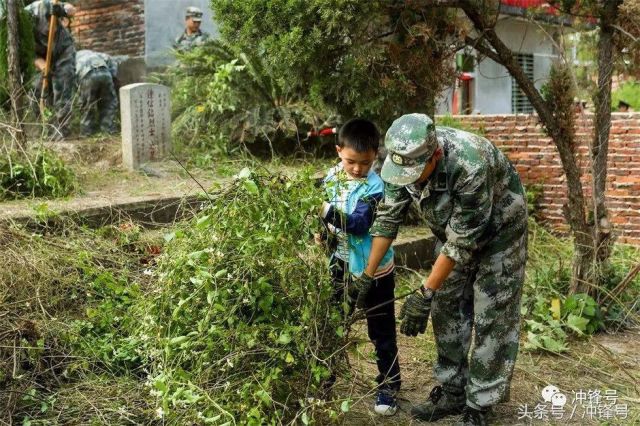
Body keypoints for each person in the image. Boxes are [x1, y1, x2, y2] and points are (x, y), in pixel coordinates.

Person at [362, 113, 528, 425]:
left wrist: (424, 292)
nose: (407, 178)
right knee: (446, 306)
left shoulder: (470, 164)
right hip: (452, 234)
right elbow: (388, 218)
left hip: (500, 234)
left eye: (414, 172)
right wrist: (366, 277)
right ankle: (453, 389)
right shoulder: (400, 162)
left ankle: (480, 405)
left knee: (493, 314)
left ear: (434, 154)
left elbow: (461, 242)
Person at [318, 118, 401, 416]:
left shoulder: (377, 188)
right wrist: (319, 231)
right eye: (351, 161)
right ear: (339, 150)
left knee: (381, 332)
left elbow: (357, 224)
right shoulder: (331, 178)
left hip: (374, 273)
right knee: (332, 325)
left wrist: (323, 210)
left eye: (364, 163)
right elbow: (324, 221)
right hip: (339, 265)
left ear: (376, 155)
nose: (357, 169)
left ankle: (389, 386)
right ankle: (323, 380)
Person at [25, 0, 77, 139]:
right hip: (41, 54)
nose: (51, 28)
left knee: (62, 87)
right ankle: (45, 130)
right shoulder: (25, 20)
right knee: (37, 90)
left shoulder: (50, 5)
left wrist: (63, 10)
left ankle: (61, 131)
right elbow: (26, 51)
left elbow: (72, 9)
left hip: (62, 50)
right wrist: (41, 65)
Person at [75, 49, 119, 135]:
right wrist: (112, 77)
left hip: (87, 74)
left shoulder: (72, 57)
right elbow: (113, 65)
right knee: (108, 103)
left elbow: (70, 77)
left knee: (87, 106)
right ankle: (108, 129)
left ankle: (86, 132)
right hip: (105, 73)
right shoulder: (98, 54)